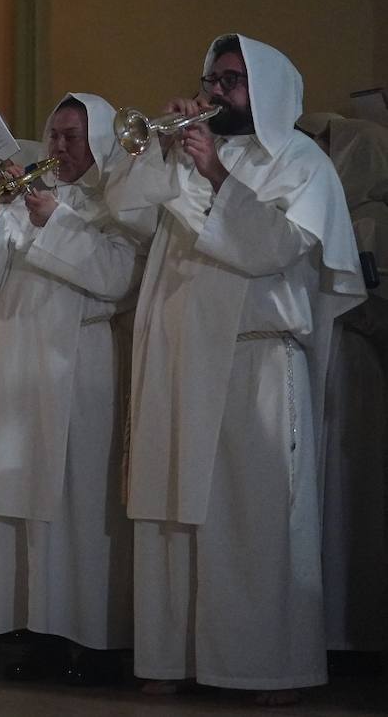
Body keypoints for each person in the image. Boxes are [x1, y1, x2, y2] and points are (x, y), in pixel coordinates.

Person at [106, 35, 365, 703]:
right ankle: (174, 653)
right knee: (173, 510)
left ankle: (267, 665)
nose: (215, 92)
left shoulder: (299, 161)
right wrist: (162, 153)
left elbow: (271, 248)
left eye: (231, 81)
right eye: (211, 80)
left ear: (267, 91)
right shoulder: (192, 153)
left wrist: (219, 174)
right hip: (179, 358)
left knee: (254, 522)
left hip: (255, 359)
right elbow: (122, 212)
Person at [0, 95, 145, 684]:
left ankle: (94, 641)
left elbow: (118, 277)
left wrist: (53, 220)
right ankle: (37, 633)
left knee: (80, 503)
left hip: (81, 359)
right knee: (24, 501)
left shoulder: (114, 202)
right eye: (55, 136)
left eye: (73, 138)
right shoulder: (27, 198)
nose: (60, 148)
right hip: (22, 359)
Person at [296, 112, 387, 670]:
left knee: (346, 500)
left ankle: (350, 633)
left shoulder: (372, 220)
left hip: (349, 365)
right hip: (305, 354)